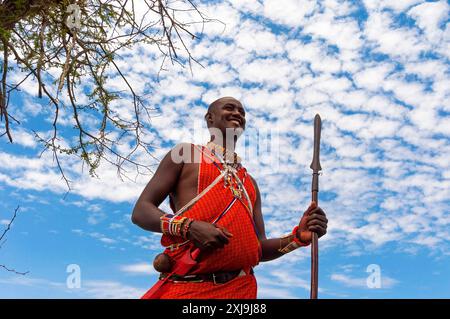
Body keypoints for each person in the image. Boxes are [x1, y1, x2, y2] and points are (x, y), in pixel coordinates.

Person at [131, 96, 328, 299]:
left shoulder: (249, 182)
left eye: (242, 112)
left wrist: (297, 238)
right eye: (229, 108)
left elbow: (258, 250)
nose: (237, 114)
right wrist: (188, 227)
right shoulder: (185, 154)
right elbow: (141, 212)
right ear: (210, 118)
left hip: (241, 292)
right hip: (189, 289)